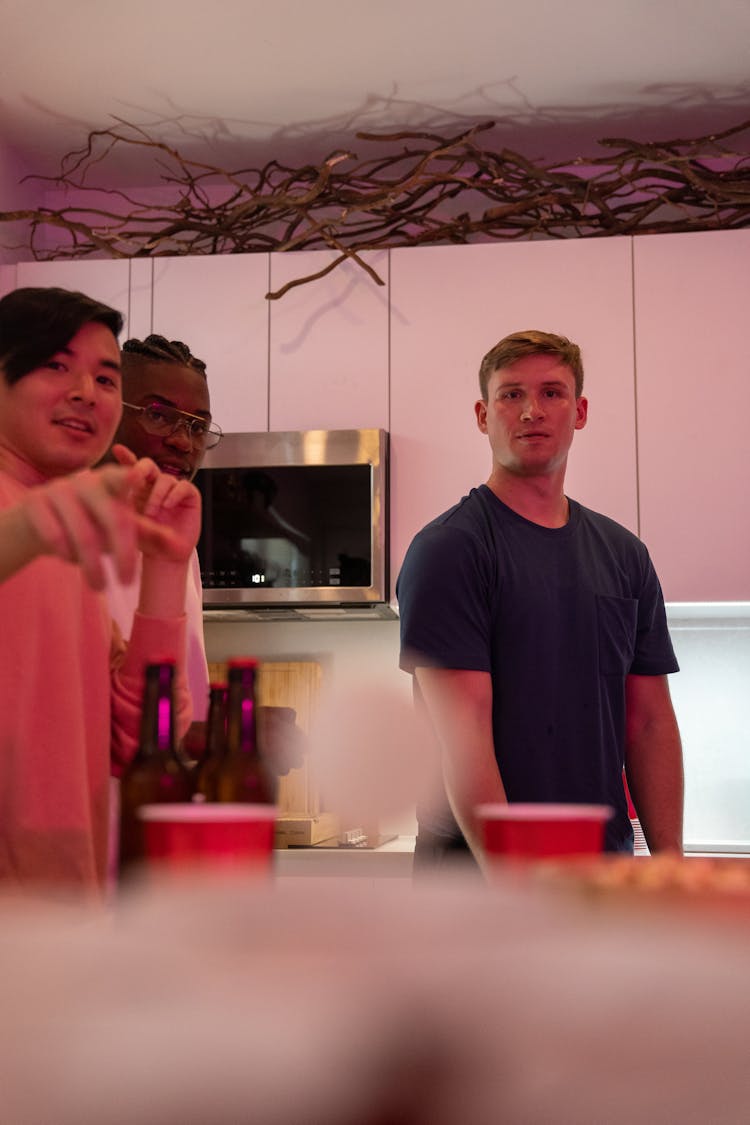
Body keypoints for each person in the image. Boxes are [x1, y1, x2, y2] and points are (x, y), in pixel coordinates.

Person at [396, 330, 684, 871]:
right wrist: (516, 887)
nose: (532, 410)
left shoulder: (625, 555)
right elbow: (465, 731)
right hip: (476, 873)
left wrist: (669, 867)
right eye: (511, 394)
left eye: (552, 393)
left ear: (579, 411)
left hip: (601, 865)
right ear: (483, 415)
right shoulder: (450, 550)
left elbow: (648, 722)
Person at [0, 288, 201, 896]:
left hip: (65, 914)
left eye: (106, 377)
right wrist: (32, 526)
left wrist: (165, 566)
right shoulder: (44, 517)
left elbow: (143, 739)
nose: (87, 391)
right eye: (55, 365)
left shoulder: (67, 524)